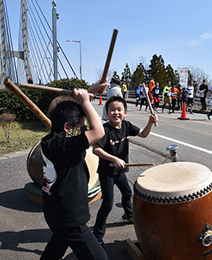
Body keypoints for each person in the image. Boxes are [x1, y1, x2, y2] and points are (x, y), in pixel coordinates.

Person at [40, 81, 108, 260]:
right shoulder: (64, 142)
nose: (84, 131)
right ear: (68, 129)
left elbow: (74, 119)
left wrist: (89, 94)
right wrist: (85, 101)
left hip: (57, 211)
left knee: (56, 247)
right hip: (68, 217)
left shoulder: (53, 140)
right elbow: (98, 131)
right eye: (80, 127)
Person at [92, 96, 157, 247]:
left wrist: (150, 122)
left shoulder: (126, 126)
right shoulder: (105, 130)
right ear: (107, 113)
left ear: (125, 113)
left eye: (119, 110)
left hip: (120, 170)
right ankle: (97, 235)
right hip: (107, 171)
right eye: (112, 110)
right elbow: (95, 149)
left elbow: (143, 134)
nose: (116, 112)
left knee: (127, 192)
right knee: (107, 204)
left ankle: (128, 214)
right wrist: (113, 159)